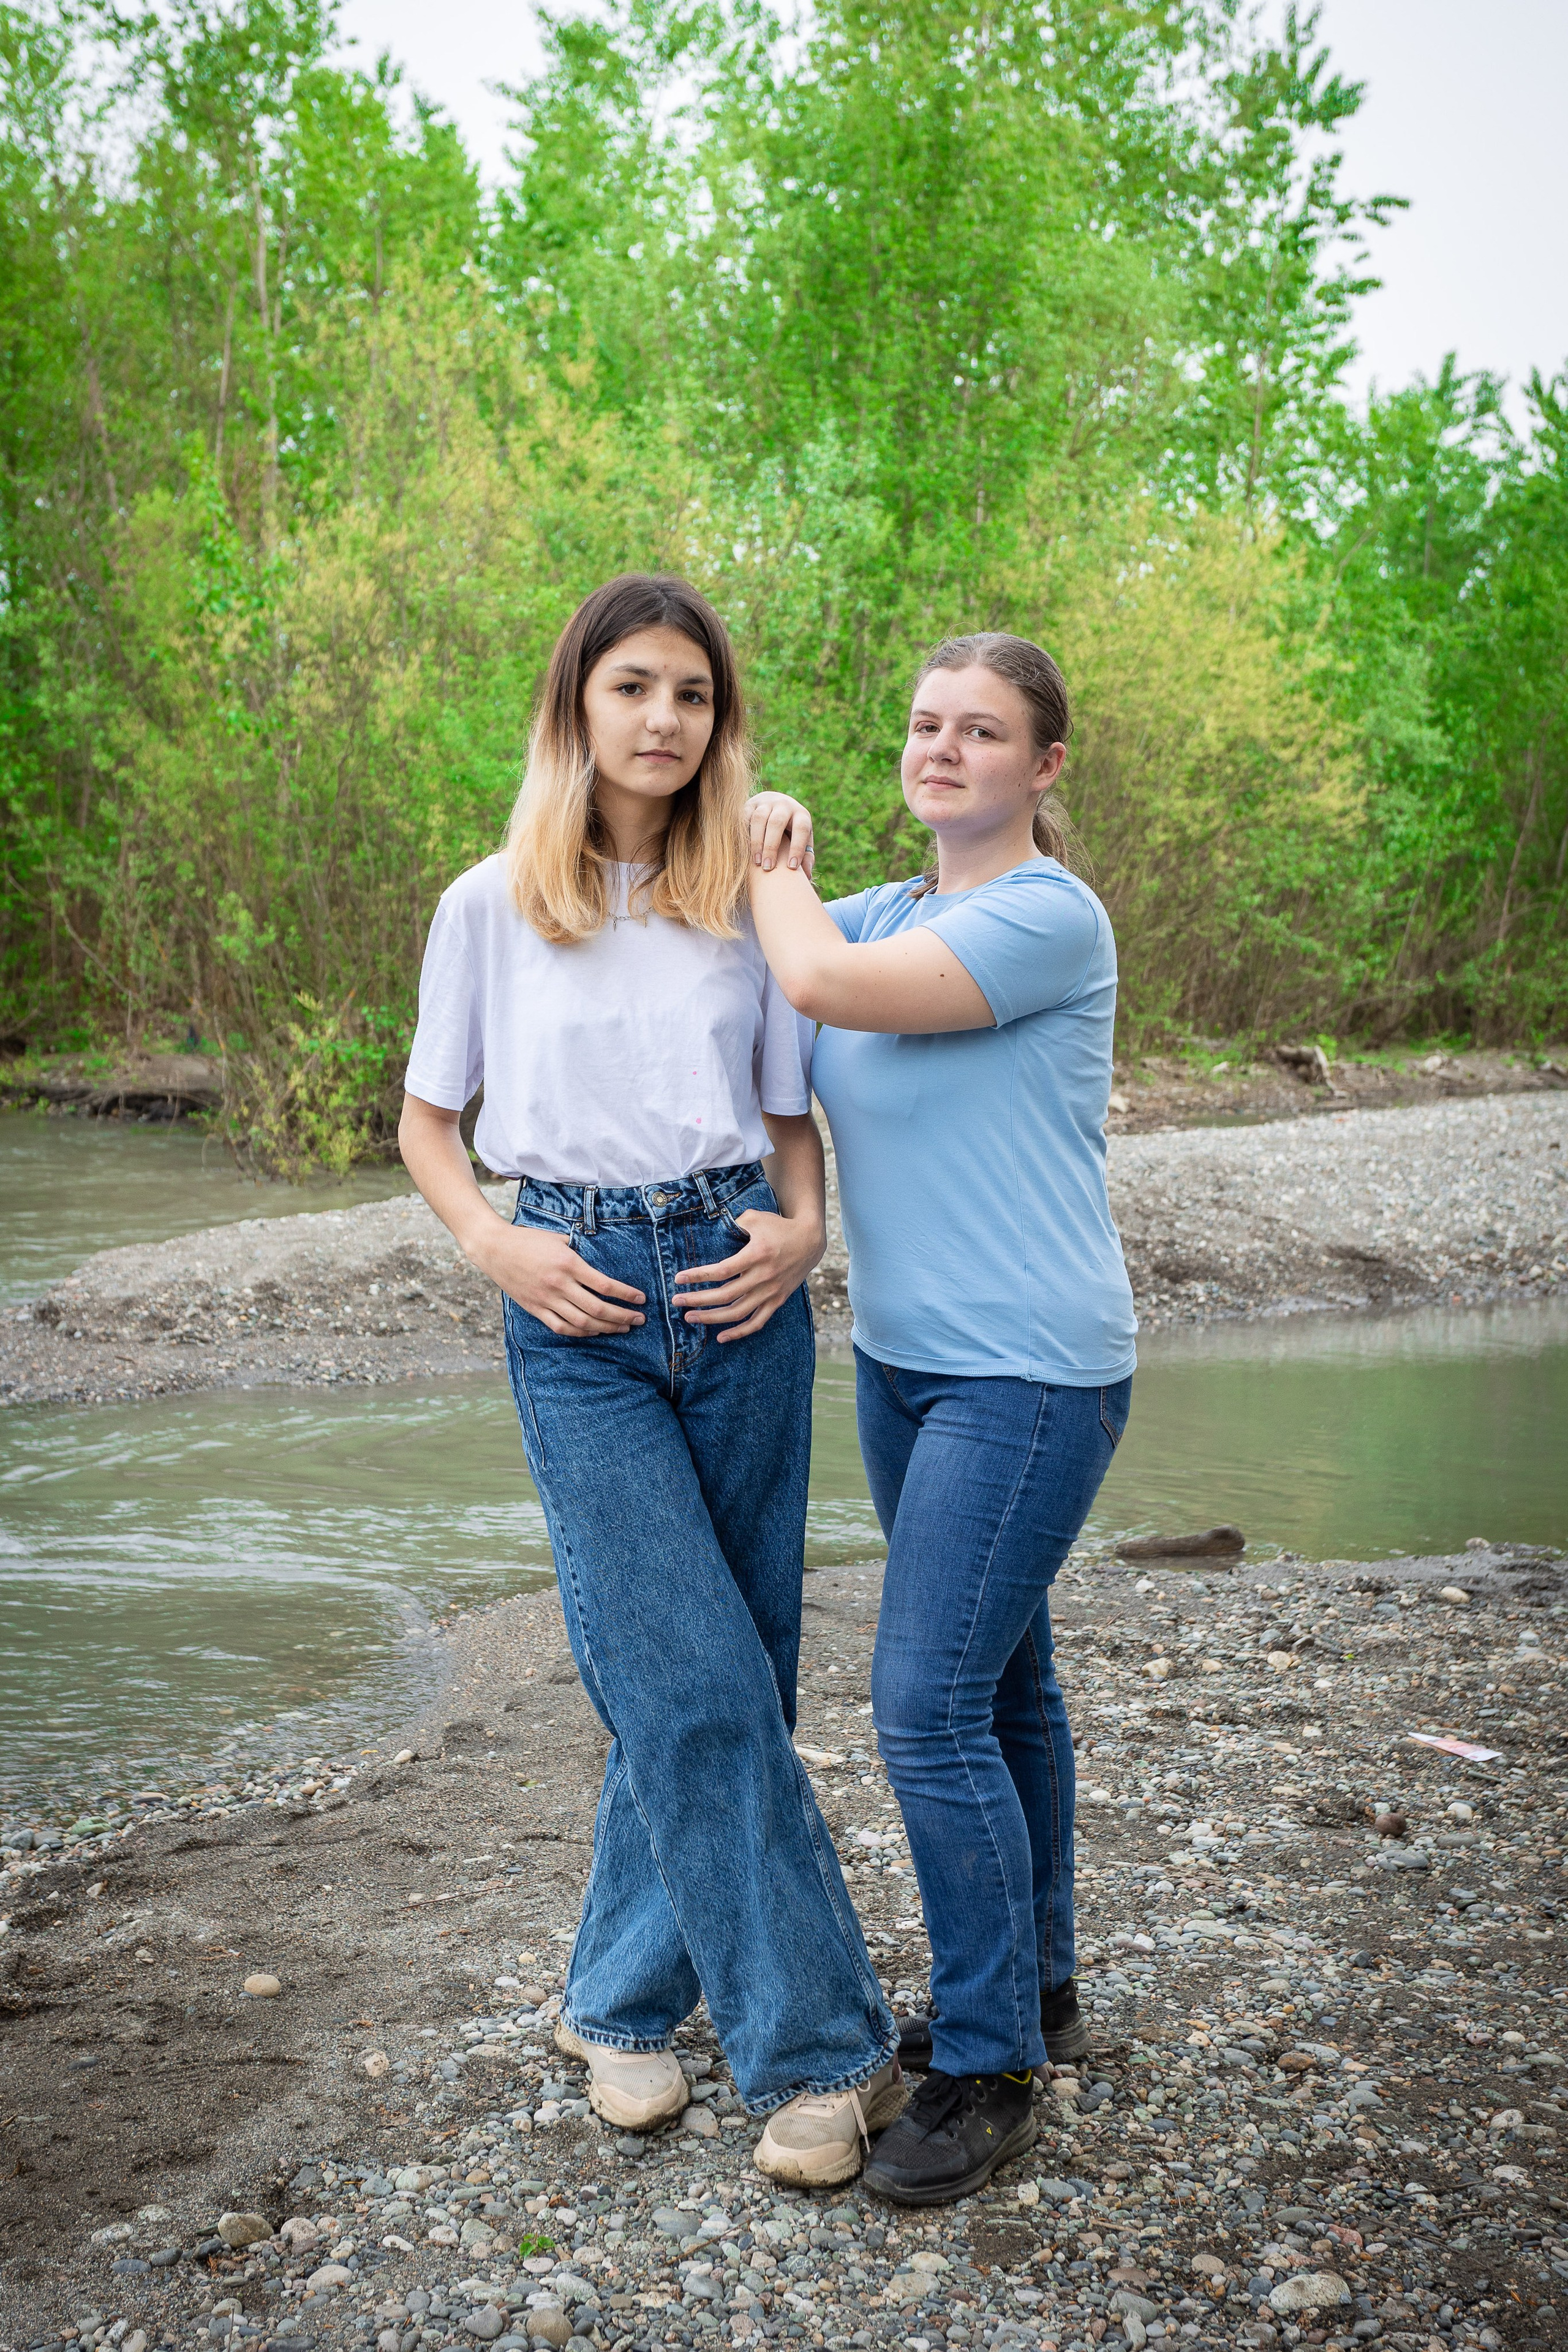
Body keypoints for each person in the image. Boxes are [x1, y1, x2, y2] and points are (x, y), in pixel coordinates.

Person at [398, 573, 902, 2187]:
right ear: (576, 704)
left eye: (693, 693)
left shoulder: (746, 900)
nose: (665, 718)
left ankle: (616, 2002)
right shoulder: (490, 904)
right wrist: (498, 1246)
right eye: (633, 686)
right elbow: (428, 1123)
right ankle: (822, 2055)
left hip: (739, 1288)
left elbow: (791, 1124)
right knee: (683, 1681)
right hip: (576, 1301)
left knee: (737, 1670)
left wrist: (804, 1233)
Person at [745, 631, 1137, 2204]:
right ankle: (1035, 1989)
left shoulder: (1047, 915)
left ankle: (987, 2067)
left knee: (921, 1709)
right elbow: (748, 956)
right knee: (1003, 1687)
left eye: (980, 731)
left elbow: (811, 982)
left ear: (1043, 766)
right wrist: (751, 821)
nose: (942, 749)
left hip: (1029, 1372)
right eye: (923, 725)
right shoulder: (886, 909)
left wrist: (772, 850)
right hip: (905, 1366)